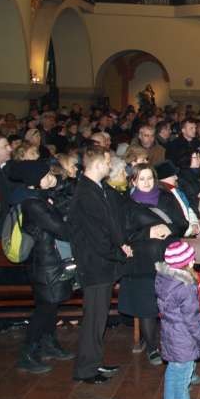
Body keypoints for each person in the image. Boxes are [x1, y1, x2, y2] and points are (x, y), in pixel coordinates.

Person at [67, 146, 132, 384]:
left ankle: (93, 362)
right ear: (96, 164)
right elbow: (97, 234)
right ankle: (86, 369)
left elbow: (108, 224)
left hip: (100, 262)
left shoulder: (94, 188)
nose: (109, 166)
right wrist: (118, 253)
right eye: (106, 162)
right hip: (94, 264)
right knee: (94, 318)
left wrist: (120, 245)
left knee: (98, 317)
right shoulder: (87, 192)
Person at [8, 161, 75, 373]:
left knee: (51, 305)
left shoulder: (41, 198)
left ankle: (48, 342)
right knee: (44, 308)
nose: (51, 177)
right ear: (35, 181)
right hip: (43, 263)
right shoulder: (33, 204)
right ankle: (28, 352)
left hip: (50, 261)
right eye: (46, 175)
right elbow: (61, 229)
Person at [124, 164, 189, 366]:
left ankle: (173, 344)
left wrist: (169, 229)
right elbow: (122, 233)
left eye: (149, 178)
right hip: (142, 261)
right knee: (147, 305)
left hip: (168, 258)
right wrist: (147, 233)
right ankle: (152, 347)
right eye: (141, 179)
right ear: (133, 181)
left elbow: (183, 223)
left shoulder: (166, 197)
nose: (146, 183)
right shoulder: (127, 204)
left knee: (171, 305)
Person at [155, 241, 200, 399]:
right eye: (191, 259)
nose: (194, 260)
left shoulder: (164, 279)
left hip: (170, 334)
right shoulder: (186, 287)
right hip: (183, 338)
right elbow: (192, 320)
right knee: (183, 376)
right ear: (186, 263)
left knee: (172, 371)